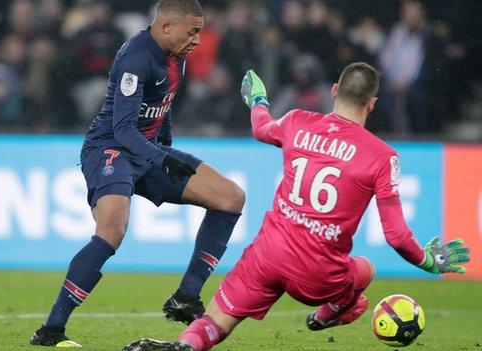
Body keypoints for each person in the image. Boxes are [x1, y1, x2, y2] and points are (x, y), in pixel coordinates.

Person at [122, 63, 471, 351]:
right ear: (372, 104)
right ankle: (324, 316)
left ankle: (184, 345)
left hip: (268, 255)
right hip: (319, 275)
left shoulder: (297, 122)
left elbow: (262, 128)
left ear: (334, 91)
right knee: (364, 269)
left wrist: (258, 99)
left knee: (214, 322)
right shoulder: (382, 157)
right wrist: (426, 260)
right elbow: (395, 235)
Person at [30, 0, 245, 347]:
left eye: (199, 32)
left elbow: (164, 105)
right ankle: (51, 329)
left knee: (231, 197)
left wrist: (167, 148)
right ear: (165, 26)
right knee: (112, 229)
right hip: (109, 148)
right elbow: (123, 128)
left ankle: (186, 296)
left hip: (147, 150)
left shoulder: (177, 56)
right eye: (192, 32)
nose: (198, 40)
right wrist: (162, 159)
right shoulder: (136, 57)